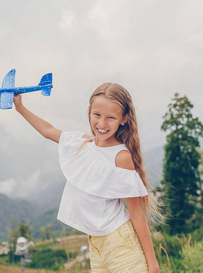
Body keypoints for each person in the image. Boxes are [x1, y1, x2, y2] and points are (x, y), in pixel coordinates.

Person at [13, 82, 161, 273]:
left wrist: (153, 263)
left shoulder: (121, 157)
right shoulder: (82, 144)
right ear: (89, 111)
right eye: (97, 115)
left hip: (120, 244)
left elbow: (136, 213)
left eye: (111, 118)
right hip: (96, 244)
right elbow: (48, 131)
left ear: (124, 118)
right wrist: (20, 108)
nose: (101, 123)